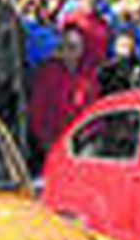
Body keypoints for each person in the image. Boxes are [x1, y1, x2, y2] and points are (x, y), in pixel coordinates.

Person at [28, 29, 98, 167]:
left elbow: (94, 106)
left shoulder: (88, 73)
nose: (72, 52)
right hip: (54, 139)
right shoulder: (48, 73)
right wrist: (43, 139)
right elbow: (37, 108)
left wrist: (91, 134)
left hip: (81, 139)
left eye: (76, 47)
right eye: (68, 47)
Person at [60, 0, 112, 71]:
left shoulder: (103, 23)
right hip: (78, 72)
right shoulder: (71, 20)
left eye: (93, 1)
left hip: (98, 73)